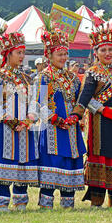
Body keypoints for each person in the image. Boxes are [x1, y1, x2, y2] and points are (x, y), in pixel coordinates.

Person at [71, 23, 112, 207]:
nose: (107, 53)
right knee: (102, 154)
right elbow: (84, 98)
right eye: (103, 50)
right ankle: (97, 200)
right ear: (96, 52)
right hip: (101, 122)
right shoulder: (93, 72)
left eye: (110, 49)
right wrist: (101, 110)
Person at [29, 27, 86, 209]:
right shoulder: (43, 77)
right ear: (49, 56)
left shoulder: (73, 78)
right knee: (52, 161)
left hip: (71, 128)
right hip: (52, 129)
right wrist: (56, 119)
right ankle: (46, 203)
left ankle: (68, 203)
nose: (63, 58)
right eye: (59, 54)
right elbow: (39, 103)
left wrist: (77, 115)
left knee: (70, 161)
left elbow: (81, 100)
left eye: (64, 54)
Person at [0, 32, 39, 211]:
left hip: (25, 127)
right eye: (18, 53)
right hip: (6, 127)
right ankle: (1, 201)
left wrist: (29, 118)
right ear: (8, 54)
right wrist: (11, 120)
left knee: (23, 160)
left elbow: (35, 102)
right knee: (5, 160)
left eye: (23, 53)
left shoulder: (28, 78)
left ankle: (21, 201)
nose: (22, 56)